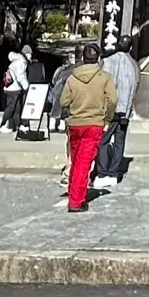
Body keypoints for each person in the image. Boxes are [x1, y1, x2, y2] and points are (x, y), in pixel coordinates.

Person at [58, 42, 116, 213]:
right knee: (84, 163)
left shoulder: (72, 77)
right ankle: (76, 201)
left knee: (76, 160)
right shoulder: (105, 77)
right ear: (98, 59)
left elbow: (63, 101)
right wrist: (107, 119)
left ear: (83, 58)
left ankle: (73, 190)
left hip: (75, 123)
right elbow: (112, 100)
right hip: (94, 123)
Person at [93, 35, 139, 193]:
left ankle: (102, 172)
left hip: (110, 109)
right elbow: (135, 88)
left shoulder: (108, 61)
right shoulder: (134, 65)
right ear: (130, 48)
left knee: (103, 141)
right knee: (119, 141)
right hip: (125, 110)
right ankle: (113, 173)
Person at [0, 43, 30, 134]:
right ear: (26, 54)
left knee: (17, 108)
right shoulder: (21, 62)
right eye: (30, 54)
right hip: (13, 89)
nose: (31, 56)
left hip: (13, 88)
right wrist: (27, 87)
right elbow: (20, 76)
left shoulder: (18, 60)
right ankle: (3, 125)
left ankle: (15, 126)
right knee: (11, 108)